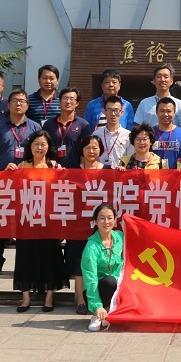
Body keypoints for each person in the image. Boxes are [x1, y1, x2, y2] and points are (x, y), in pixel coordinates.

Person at [5, 130, 68, 311]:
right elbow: (10, 188)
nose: (39, 147)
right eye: (36, 144)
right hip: (27, 221)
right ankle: (25, 298)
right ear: (30, 147)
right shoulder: (21, 166)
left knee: (50, 257)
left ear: (48, 147)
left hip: (49, 221)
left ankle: (49, 297)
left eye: (43, 144)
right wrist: (8, 173)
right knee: (25, 258)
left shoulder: (55, 167)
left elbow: (64, 190)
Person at [0, 89, 41, 274]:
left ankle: (25, 266)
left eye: (22, 101)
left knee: (25, 222)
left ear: (27, 105)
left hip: (27, 185)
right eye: (14, 100)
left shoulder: (35, 127)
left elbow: (40, 154)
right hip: (2, 183)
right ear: (8, 105)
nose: (18, 104)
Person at [70, 134, 107, 314]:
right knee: (80, 263)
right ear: (81, 150)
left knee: (98, 261)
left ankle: (99, 298)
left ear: (100, 150)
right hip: (78, 224)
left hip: (100, 225)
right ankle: (80, 299)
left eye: (95, 147)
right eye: (87, 148)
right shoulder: (72, 172)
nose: (91, 151)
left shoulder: (109, 171)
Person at [81, 203, 124, 332]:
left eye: (110, 218)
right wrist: (96, 305)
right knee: (109, 281)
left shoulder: (120, 237)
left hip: (118, 286)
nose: (106, 222)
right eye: (102, 218)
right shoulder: (91, 247)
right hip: (97, 289)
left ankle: (108, 311)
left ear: (115, 220)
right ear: (95, 221)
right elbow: (90, 278)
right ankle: (97, 314)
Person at [41, 87, 91, 169]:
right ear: (59, 101)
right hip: (52, 170)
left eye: (72, 99)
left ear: (77, 103)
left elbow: (86, 150)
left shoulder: (83, 125)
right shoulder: (49, 124)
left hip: (75, 170)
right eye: (65, 98)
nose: (68, 102)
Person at [95, 95, 132, 167]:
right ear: (104, 111)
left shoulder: (128, 136)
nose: (113, 114)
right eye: (109, 110)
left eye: (116, 110)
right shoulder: (96, 135)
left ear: (122, 112)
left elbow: (131, 158)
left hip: (120, 173)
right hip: (100, 172)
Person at [152, 97, 181, 169]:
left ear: (174, 113)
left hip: (176, 175)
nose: (165, 114)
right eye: (162, 111)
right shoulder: (150, 133)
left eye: (169, 111)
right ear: (156, 112)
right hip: (154, 174)